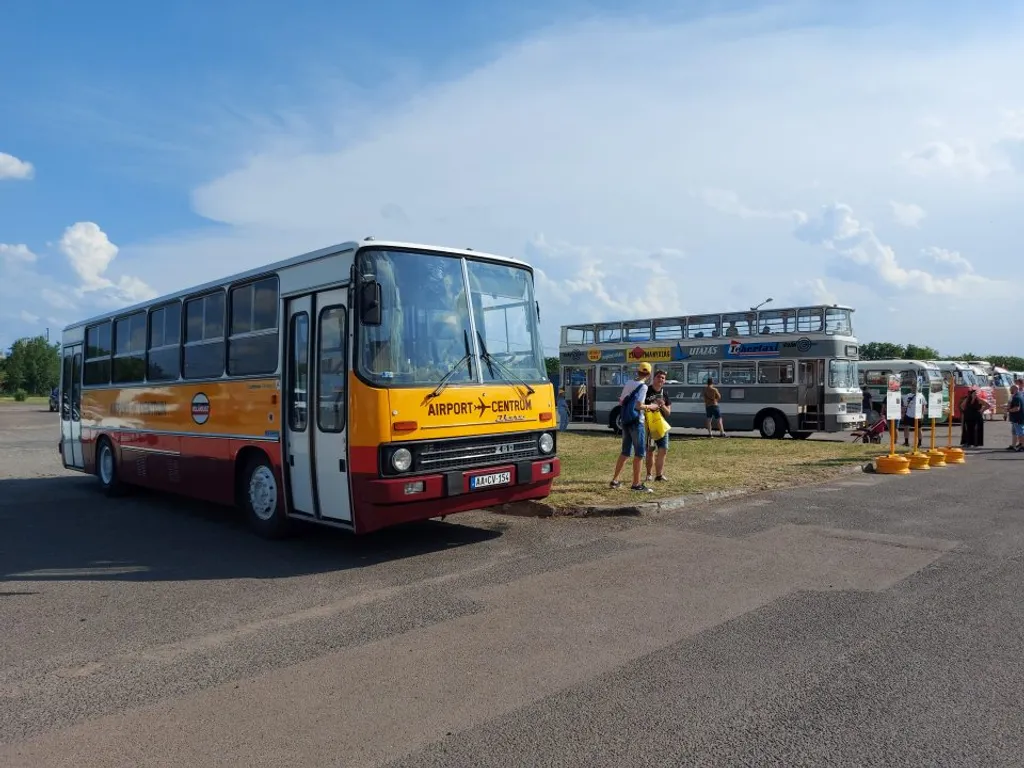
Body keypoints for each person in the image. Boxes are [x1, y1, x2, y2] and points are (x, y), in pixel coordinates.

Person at [609, 362, 659, 493]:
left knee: (625, 452)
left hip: (625, 420)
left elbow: (621, 400)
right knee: (639, 453)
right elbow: (638, 405)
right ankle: (636, 484)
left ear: (637, 372)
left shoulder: (629, 383)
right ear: (648, 374)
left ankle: (615, 480)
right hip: (637, 422)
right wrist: (651, 407)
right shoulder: (643, 387)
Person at [644, 369, 672, 482]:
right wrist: (652, 405)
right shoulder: (646, 391)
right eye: (659, 377)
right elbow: (639, 406)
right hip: (650, 426)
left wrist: (662, 405)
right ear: (654, 378)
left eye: (663, 378)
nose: (661, 379)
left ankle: (659, 475)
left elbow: (668, 412)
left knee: (663, 449)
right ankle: (649, 474)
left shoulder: (665, 394)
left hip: (662, 426)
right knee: (650, 450)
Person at [902, 384, 921, 449]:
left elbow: (924, 405)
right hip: (908, 415)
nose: (914, 389)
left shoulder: (920, 395)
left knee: (918, 429)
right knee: (906, 428)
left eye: (915, 388)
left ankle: (919, 442)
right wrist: (903, 414)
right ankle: (906, 442)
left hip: (917, 415)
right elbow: (905, 405)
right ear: (911, 388)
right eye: (913, 387)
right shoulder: (907, 396)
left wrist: (922, 414)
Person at [1007, 384, 1024, 452]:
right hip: (1017, 418)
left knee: (1020, 433)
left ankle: (1022, 446)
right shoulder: (1020, 395)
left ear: (1014, 389)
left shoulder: (1016, 397)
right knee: (1014, 432)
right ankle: (1014, 445)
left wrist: (1008, 410)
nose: (1010, 390)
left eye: (1011, 389)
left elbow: (1017, 408)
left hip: (1018, 418)